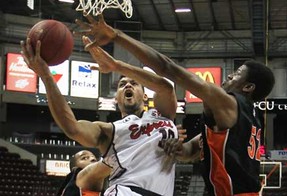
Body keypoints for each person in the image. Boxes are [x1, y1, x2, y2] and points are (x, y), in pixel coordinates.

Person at [74, 14, 275, 195]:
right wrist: (176, 147)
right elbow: (190, 151)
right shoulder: (249, 119)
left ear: (248, 87)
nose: (230, 75)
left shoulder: (228, 104)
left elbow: (166, 67)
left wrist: (117, 37)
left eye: (237, 73)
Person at [20, 34, 178, 195]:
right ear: (116, 98)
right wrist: (47, 76)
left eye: (134, 83)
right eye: (122, 84)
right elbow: (72, 128)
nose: (127, 85)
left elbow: (166, 88)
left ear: (145, 96)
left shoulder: (163, 115)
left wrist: (117, 66)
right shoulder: (109, 130)